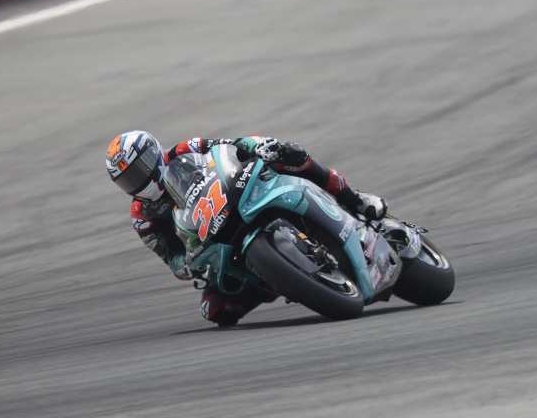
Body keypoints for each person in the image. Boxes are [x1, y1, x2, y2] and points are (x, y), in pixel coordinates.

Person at [105, 131, 387, 327]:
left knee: (290, 155)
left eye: (139, 169)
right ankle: (278, 279)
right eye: (128, 179)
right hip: (212, 241)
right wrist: (185, 264)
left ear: (154, 153)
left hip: (235, 195)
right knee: (215, 310)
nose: (138, 180)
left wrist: (255, 147)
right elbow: (172, 258)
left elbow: (228, 145)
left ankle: (355, 199)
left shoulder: (183, 150)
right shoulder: (142, 216)